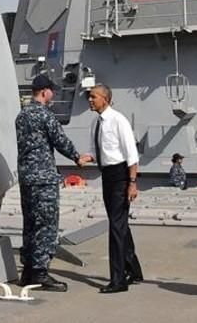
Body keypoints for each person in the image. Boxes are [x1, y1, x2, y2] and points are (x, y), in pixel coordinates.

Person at [15, 74, 88, 292]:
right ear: (45, 92)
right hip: (43, 178)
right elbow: (59, 140)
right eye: (51, 91)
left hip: (27, 178)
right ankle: (40, 273)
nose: (53, 95)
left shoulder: (21, 115)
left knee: (30, 223)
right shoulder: (45, 115)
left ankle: (28, 271)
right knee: (46, 225)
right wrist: (77, 157)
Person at [81, 83, 144, 293]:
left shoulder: (118, 121)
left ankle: (118, 280)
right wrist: (85, 158)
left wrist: (132, 183)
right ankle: (134, 270)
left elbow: (131, 155)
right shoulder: (95, 123)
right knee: (119, 224)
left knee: (116, 227)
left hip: (120, 176)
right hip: (107, 175)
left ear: (105, 99)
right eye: (89, 97)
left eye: (93, 97)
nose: (90, 100)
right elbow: (95, 151)